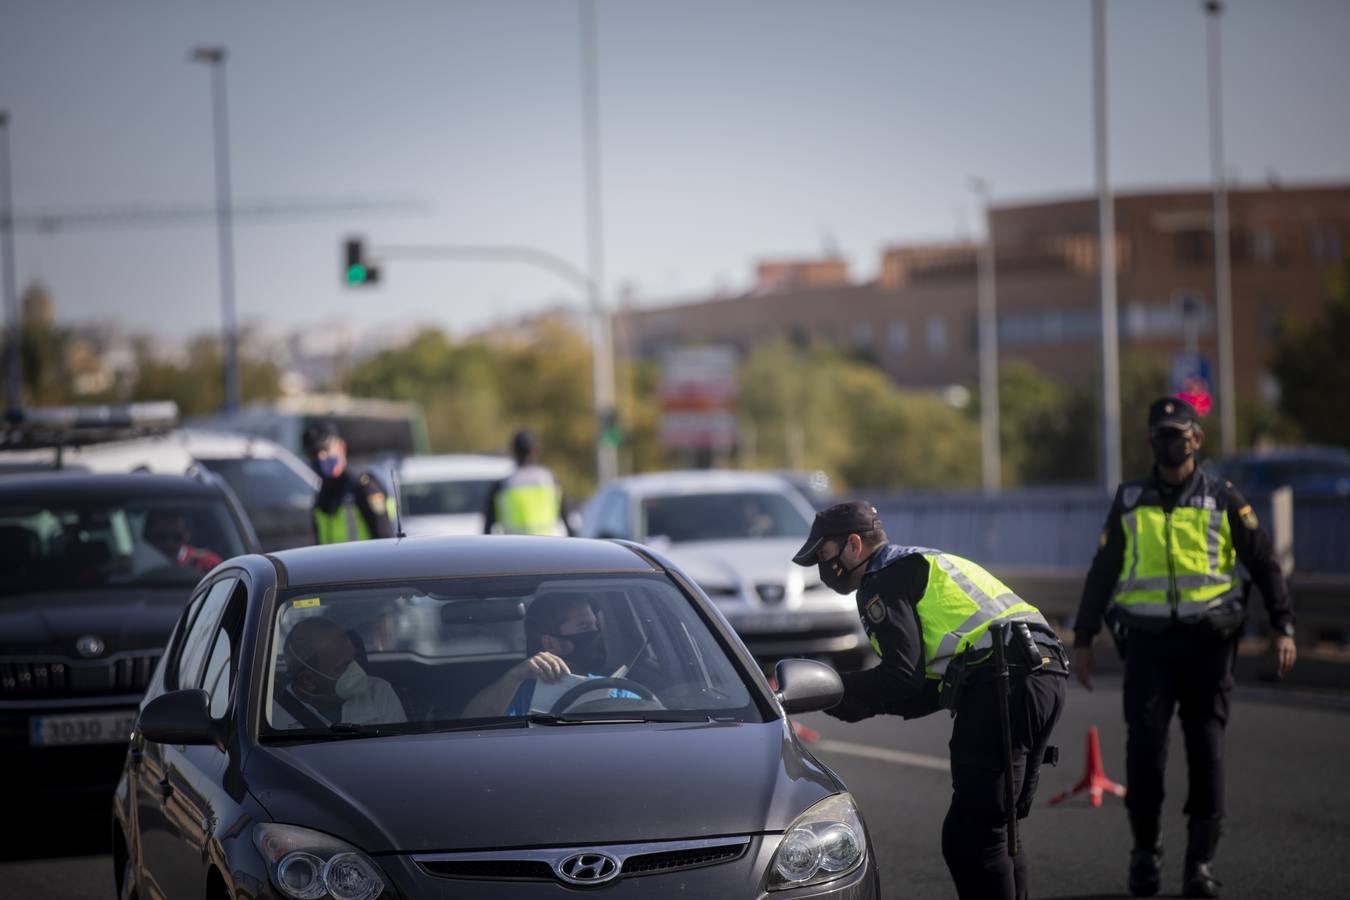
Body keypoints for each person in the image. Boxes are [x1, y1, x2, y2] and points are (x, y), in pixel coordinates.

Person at [1073, 396, 1296, 898]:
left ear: (1196, 438)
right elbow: (1102, 573)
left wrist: (1283, 626)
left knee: (1207, 754)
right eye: (1161, 435)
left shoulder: (1223, 497)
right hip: (1149, 648)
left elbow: (1264, 564)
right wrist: (1083, 638)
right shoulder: (1130, 499)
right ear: (1151, 441)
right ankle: (1145, 853)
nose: (1170, 442)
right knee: (1146, 755)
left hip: (1209, 646)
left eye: (1179, 433)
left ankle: (1200, 863)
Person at [791, 501, 1067, 900]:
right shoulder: (924, 561)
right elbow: (926, 686)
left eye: (824, 553)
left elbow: (901, 675)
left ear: (853, 544)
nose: (822, 564)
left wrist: (838, 689)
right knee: (997, 827)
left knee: (970, 837)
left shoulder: (880, 580)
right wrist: (856, 704)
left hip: (1004, 680)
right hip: (1044, 671)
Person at [462, 592, 631, 717]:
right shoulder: (519, 691)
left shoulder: (615, 688)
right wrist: (513, 677)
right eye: (585, 627)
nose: (596, 633)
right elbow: (471, 723)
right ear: (550, 643)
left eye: (595, 625)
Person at [272, 615, 406, 729]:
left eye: (353, 659)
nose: (356, 670)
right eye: (343, 666)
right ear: (308, 680)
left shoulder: (378, 692)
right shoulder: (272, 718)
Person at [303, 421, 395, 544]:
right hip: (331, 563)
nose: (321, 458)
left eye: (326, 450)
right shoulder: (322, 493)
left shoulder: (363, 486)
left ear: (341, 447)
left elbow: (385, 540)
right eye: (314, 453)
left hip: (364, 562)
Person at [482, 429, 573, 536]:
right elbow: (567, 521)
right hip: (548, 547)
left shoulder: (503, 486)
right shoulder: (550, 480)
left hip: (514, 549)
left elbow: (487, 529)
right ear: (535, 450)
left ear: (513, 451)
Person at [143, 510, 222, 573]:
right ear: (150, 537)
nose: (169, 543)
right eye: (161, 537)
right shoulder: (137, 564)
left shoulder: (206, 561)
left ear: (187, 535)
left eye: (177, 537)